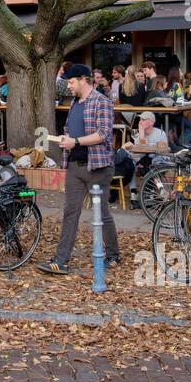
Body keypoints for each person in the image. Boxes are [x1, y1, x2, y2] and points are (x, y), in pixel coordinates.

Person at [38, 64, 119, 275]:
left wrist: (75, 141)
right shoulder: (75, 103)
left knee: (101, 213)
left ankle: (112, 254)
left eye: (71, 82)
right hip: (75, 165)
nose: (69, 87)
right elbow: (70, 129)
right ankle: (61, 260)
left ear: (84, 80)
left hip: (98, 167)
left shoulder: (102, 102)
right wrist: (66, 139)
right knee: (70, 213)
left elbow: (103, 134)